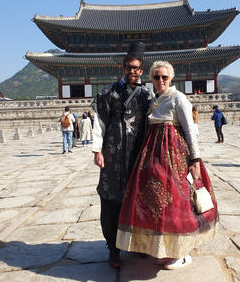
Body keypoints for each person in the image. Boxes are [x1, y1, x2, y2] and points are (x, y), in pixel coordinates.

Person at [116, 61, 218, 270]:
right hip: (153, 155)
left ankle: (183, 251)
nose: (160, 81)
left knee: (178, 201)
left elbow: (190, 130)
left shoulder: (178, 98)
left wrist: (195, 160)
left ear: (171, 78)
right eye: (156, 77)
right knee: (158, 202)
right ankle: (167, 247)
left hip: (174, 156)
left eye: (164, 77)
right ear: (151, 79)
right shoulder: (155, 99)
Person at [91, 41, 153, 268]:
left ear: (141, 70)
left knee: (138, 201)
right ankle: (113, 249)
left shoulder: (147, 95)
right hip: (112, 157)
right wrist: (97, 150)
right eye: (129, 67)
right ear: (123, 68)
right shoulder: (108, 93)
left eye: (137, 68)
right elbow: (99, 122)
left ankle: (139, 244)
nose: (133, 71)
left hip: (138, 157)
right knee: (110, 202)